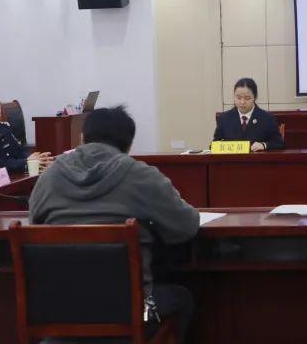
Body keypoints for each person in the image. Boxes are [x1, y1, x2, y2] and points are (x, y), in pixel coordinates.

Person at [30, 105, 199, 343]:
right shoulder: (142, 176)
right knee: (182, 298)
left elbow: (33, 227)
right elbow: (186, 226)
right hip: (130, 312)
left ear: (82, 138)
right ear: (128, 145)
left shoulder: (49, 177)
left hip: (58, 313)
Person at [213, 77, 284, 152]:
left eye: (247, 98)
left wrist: (264, 145)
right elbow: (214, 145)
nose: (242, 102)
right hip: (232, 159)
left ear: (255, 97)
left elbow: (279, 143)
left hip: (257, 159)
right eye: (238, 98)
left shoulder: (267, 118)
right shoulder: (224, 118)